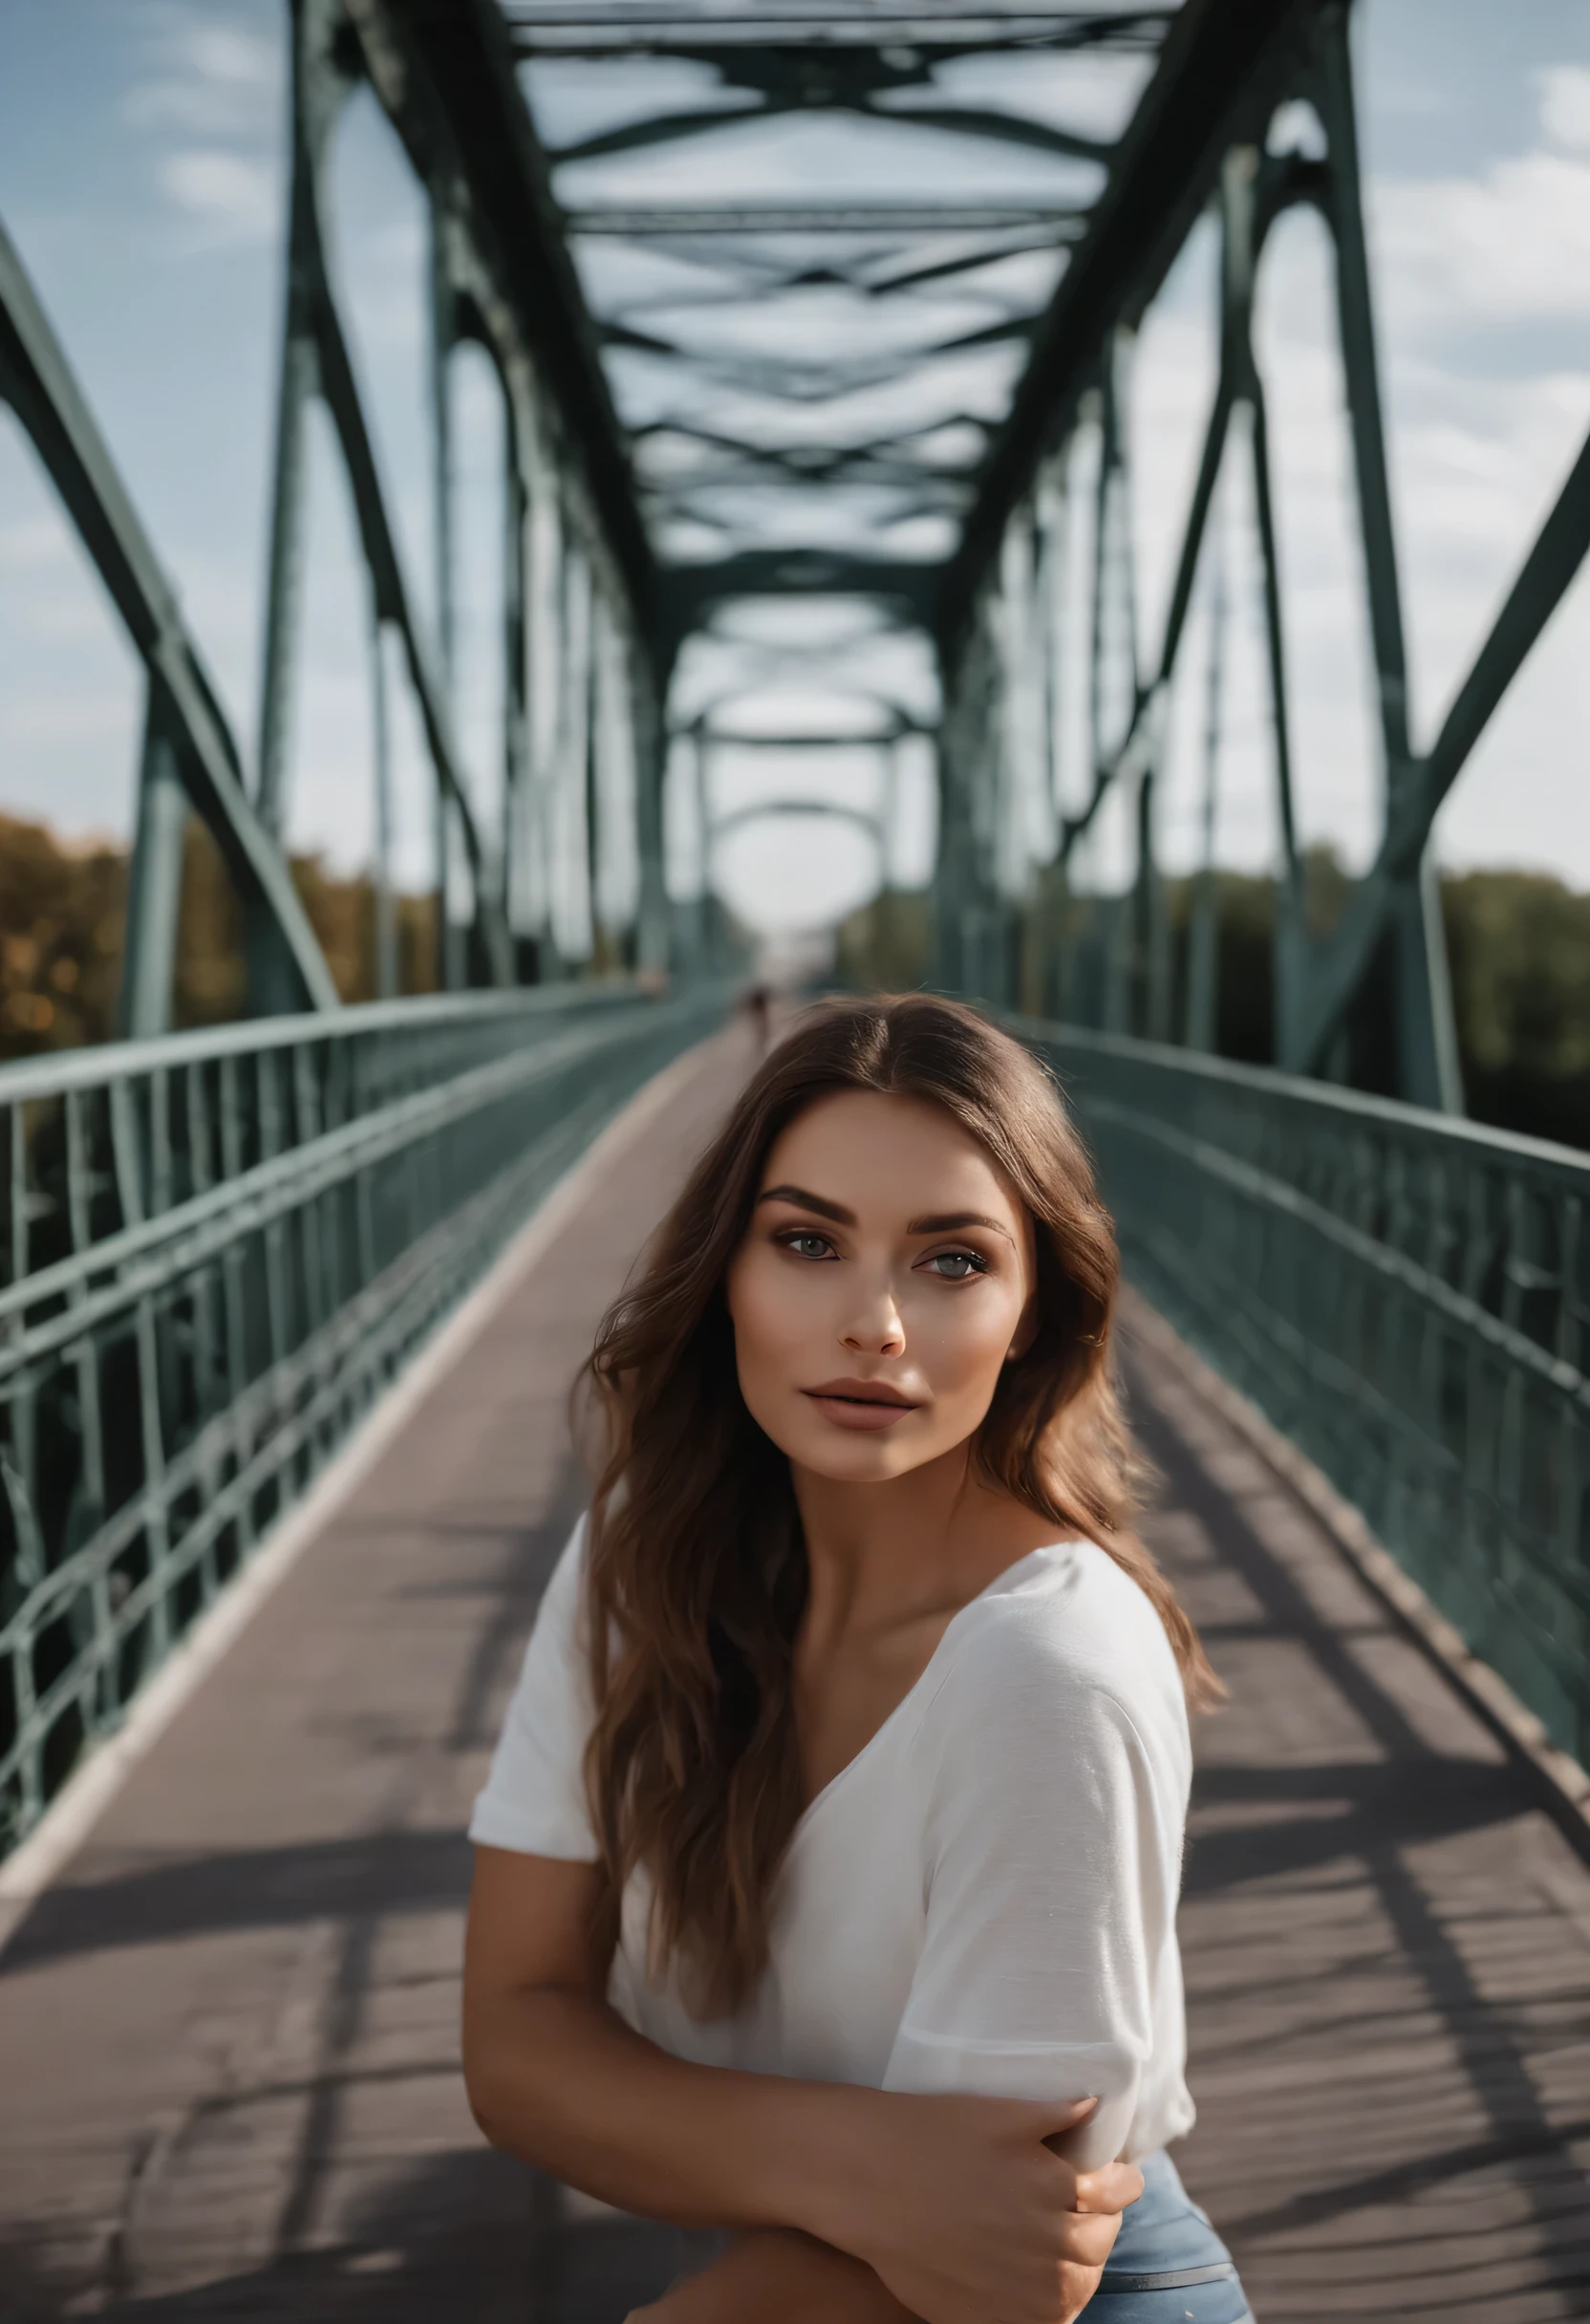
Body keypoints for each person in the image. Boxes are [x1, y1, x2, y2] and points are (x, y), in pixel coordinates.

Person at [463, 993, 1252, 2324]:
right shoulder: (642, 1562)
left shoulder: (1048, 1670)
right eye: (809, 1241)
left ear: (1035, 1315)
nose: (874, 1323)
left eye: (950, 1261)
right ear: (727, 1268)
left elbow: (981, 2260)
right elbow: (516, 2041)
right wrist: (864, 2163)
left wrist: (769, 2162)